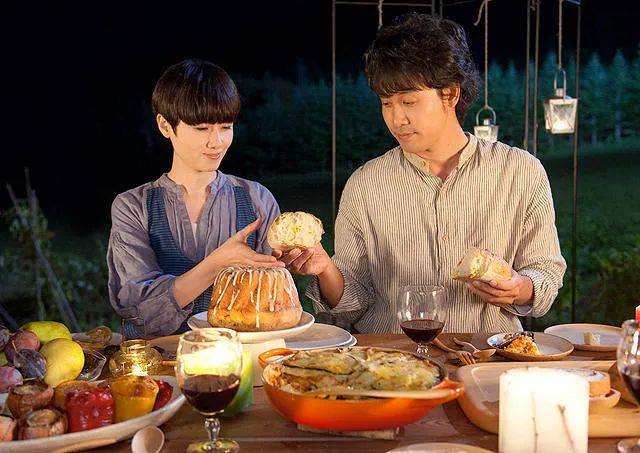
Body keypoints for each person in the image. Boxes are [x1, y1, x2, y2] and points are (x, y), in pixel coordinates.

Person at [275, 14, 566, 333]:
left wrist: (519, 287)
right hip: (391, 355)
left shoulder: (520, 171)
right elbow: (352, 302)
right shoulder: (366, 184)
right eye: (387, 104)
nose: (397, 119)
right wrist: (325, 269)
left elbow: (545, 273)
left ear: (450, 94)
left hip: (488, 352)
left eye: (409, 101)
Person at [107, 59, 283, 337]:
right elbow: (140, 313)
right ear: (165, 125)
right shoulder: (133, 206)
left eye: (226, 127)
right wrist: (217, 265)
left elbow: (272, 303)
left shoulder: (257, 199)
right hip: (157, 360)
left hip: (240, 356)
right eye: (202, 129)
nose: (216, 142)